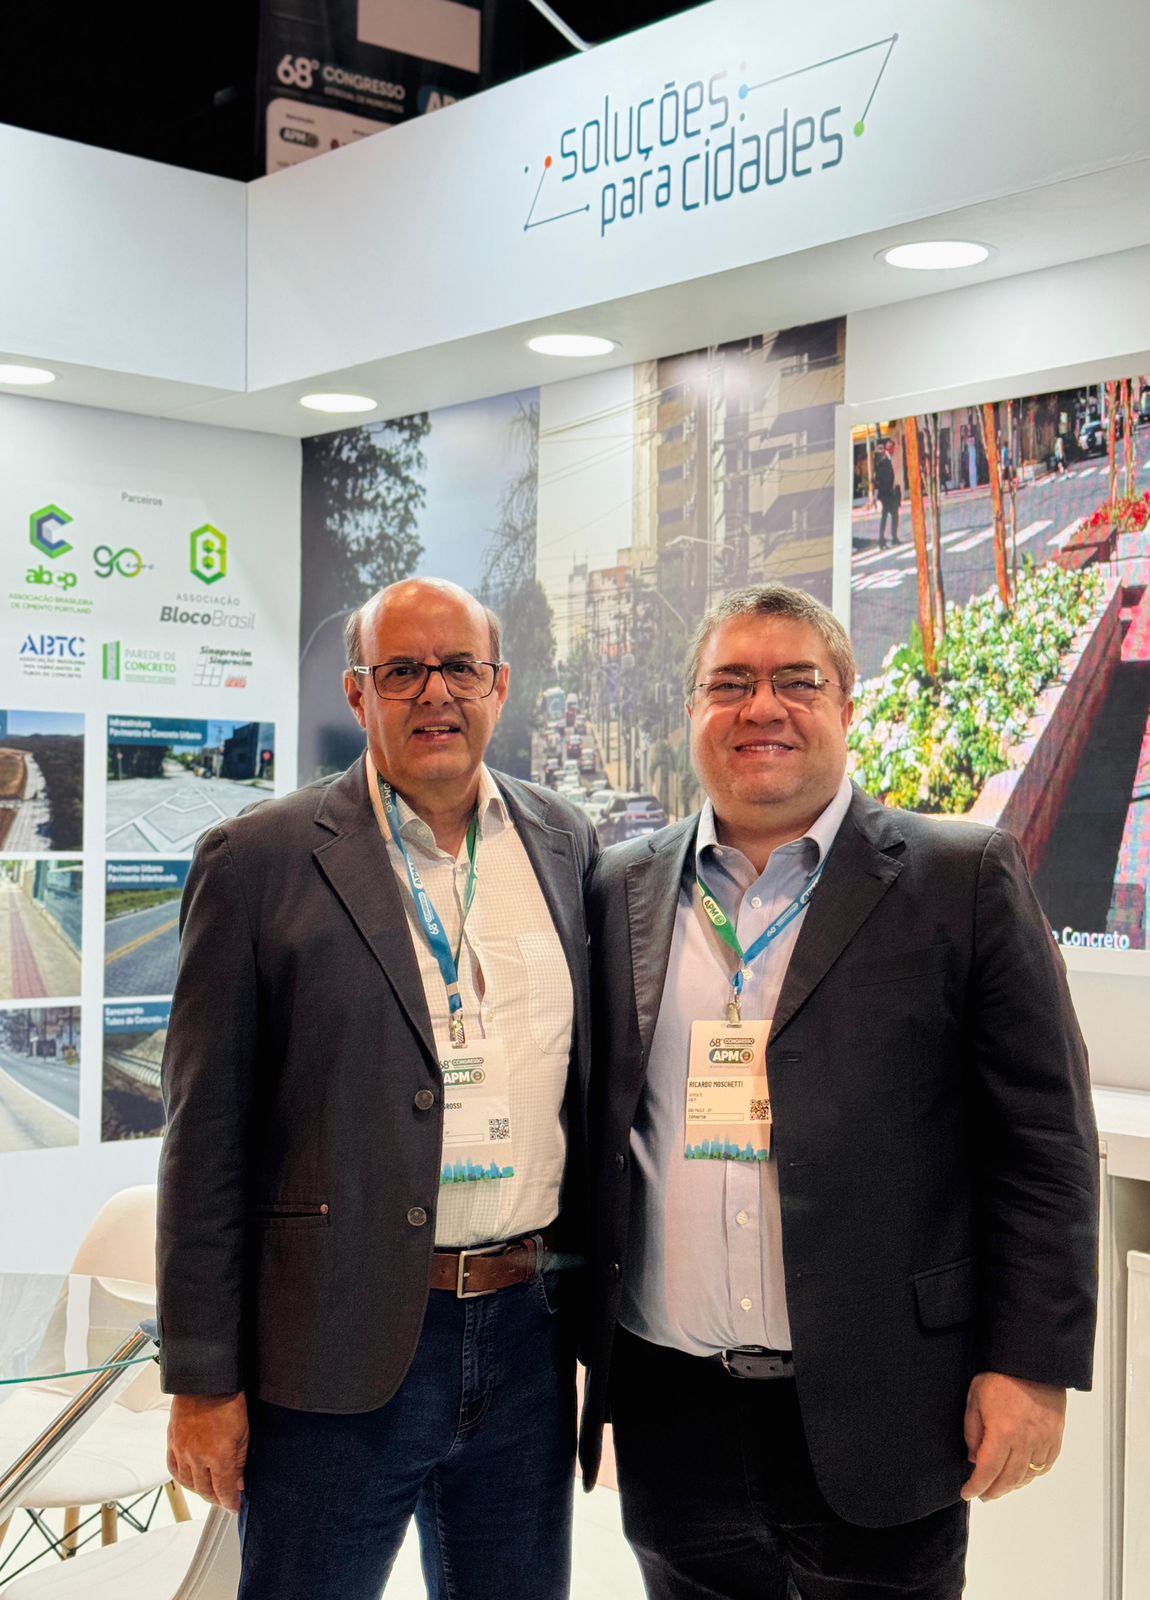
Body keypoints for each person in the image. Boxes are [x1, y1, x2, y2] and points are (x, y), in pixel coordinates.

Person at [580, 583, 1098, 1600]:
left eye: (796, 681)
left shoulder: (961, 877)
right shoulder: (621, 886)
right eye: (729, 683)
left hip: (887, 1406)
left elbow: (1044, 1147)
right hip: (672, 1417)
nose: (761, 707)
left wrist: (1032, 1365)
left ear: (847, 705)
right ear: (691, 708)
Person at [157, 577, 597, 1600]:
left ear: (499, 685)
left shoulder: (565, 841)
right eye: (402, 670)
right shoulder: (257, 862)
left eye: (459, 668)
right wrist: (203, 1379)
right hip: (332, 1347)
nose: (434, 692)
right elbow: (204, 1139)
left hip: (528, 1338)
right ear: (358, 693)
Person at [873, 439, 901, 549]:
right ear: (886, 448)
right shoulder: (883, 461)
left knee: (891, 516)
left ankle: (890, 538)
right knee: (887, 516)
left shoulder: (888, 459)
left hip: (888, 493)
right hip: (886, 494)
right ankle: (884, 540)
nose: (891, 449)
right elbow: (879, 479)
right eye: (889, 447)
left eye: (892, 447)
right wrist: (887, 489)